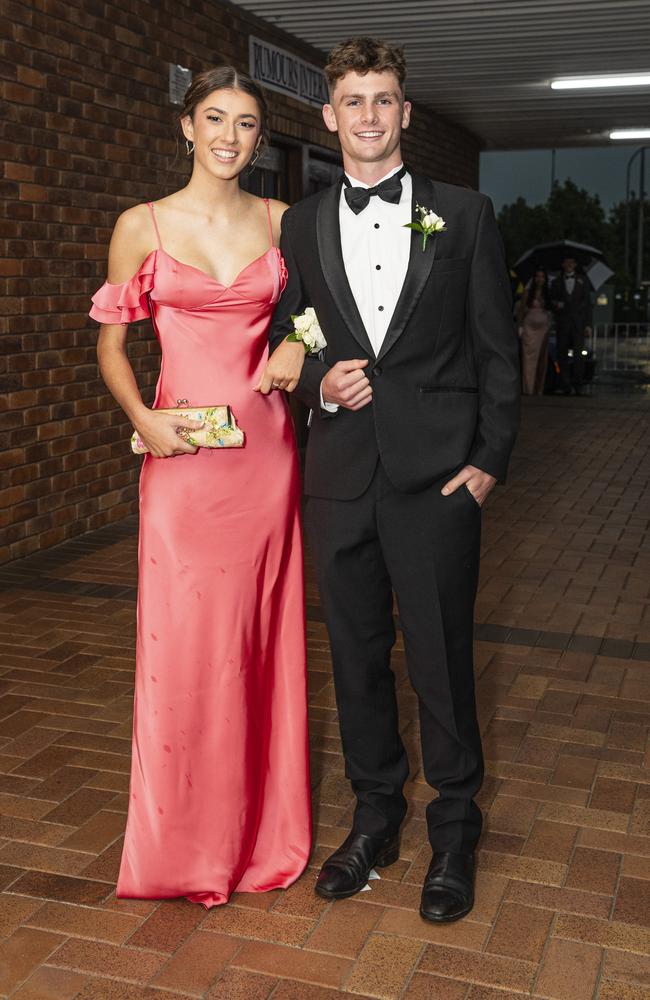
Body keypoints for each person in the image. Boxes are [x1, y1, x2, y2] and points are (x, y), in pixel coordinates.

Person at [269, 37, 520, 923]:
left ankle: (455, 830)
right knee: (357, 659)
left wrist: (487, 463)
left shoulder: (468, 214)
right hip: (339, 478)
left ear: (404, 113)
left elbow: (498, 350)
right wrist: (312, 379)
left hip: (437, 482)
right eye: (353, 102)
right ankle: (375, 816)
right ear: (328, 115)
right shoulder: (297, 224)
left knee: (444, 662)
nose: (368, 117)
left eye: (384, 100)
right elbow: (278, 340)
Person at [89, 66, 311, 908]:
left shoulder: (285, 221)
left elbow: (321, 314)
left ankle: (259, 839)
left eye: (247, 123)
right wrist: (143, 420)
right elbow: (111, 348)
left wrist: (299, 344)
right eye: (214, 118)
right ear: (186, 126)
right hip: (180, 460)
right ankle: (183, 846)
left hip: (264, 460)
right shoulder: (139, 226)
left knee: (257, 644)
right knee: (184, 647)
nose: (229, 135)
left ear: (261, 138)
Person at [549, 255, 592, 395]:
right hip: (563, 323)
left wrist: (588, 325)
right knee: (562, 355)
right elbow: (551, 302)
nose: (569, 264)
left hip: (578, 324)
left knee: (579, 355)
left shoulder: (583, 280)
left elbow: (588, 304)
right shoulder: (556, 282)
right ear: (563, 264)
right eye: (566, 262)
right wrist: (556, 305)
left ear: (575, 264)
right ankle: (565, 384)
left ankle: (578, 384)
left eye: (572, 262)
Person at [518, 267, 551, 395]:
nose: (539, 279)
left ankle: (539, 389)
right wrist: (520, 326)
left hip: (543, 328)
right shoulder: (528, 292)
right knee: (528, 359)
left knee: (542, 360)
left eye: (542, 276)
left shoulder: (547, 293)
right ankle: (528, 388)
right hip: (529, 328)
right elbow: (521, 309)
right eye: (537, 276)